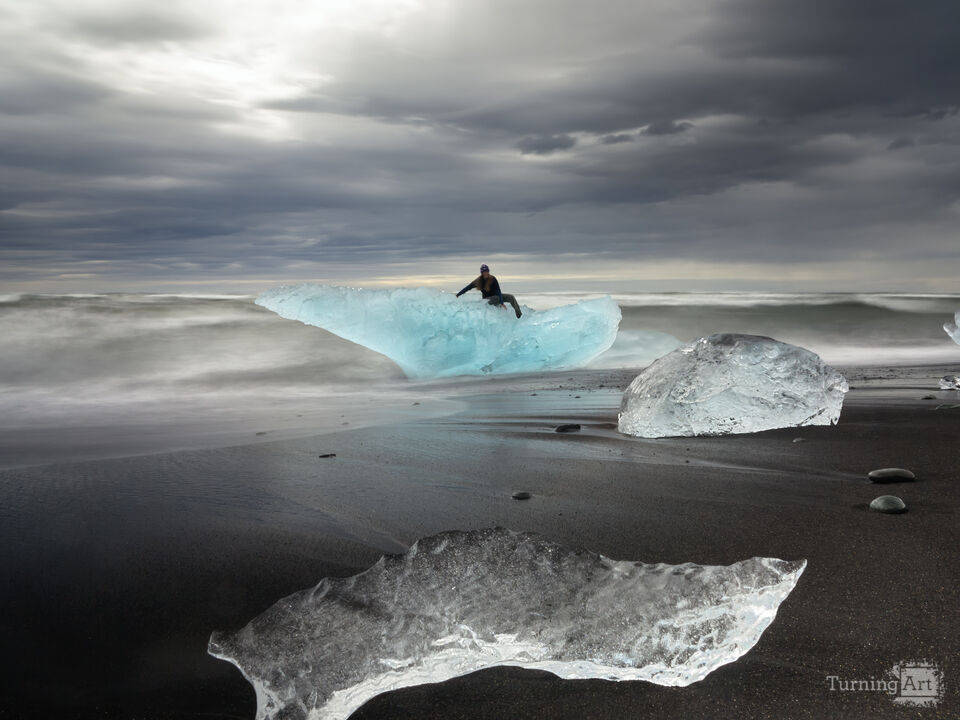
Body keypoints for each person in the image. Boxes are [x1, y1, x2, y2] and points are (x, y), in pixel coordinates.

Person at [455, 263, 522, 318]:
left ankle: (519, 315)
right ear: (482, 273)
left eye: (487, 271)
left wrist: (502, 303)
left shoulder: (493, 279)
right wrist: (458, 295)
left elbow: (498, 290)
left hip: (496, 297)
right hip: (487, 300)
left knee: (511, 297)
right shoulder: (478, 281)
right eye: (484, 272)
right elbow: (468, 287)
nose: (486, 273)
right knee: (496, 297)